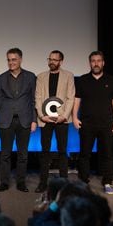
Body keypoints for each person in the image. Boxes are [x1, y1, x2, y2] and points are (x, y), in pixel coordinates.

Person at [72, 51, 113, 194]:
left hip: (107, 124)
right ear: (90, 63)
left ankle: (107, 182)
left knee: (107, 155)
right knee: (84, 154)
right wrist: (74, 117)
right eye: (93, 61)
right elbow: (77, 100)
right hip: (86, 124)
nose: (96, 63)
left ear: (103, 63)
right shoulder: (82, 80)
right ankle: (83, 181)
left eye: (99, 61)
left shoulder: (111, 80)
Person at [0, 48, 37, 193]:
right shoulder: (1, 78)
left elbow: (33, 100)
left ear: (20, 60)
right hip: (6, 121)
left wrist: (34, 120)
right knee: (5, 154)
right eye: (9, 59)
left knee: (22, 154)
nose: (11, 62)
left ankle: (21, 182)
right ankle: (4, 182)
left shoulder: (31, 77)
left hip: (25, 120)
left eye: (14, 59)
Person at [34, 50, 75, 193]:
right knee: (45, 151)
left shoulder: (69, 76)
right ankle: (43, 182)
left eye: (55, 60)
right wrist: (41, 115)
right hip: (45, 119)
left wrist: (64, 116)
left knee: (62, 151)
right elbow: (38, 98)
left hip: (62, 119)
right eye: (50, 59)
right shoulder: (40, 77)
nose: (52, 62)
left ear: (61, 61)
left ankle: (64, 184)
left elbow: (71, 97)